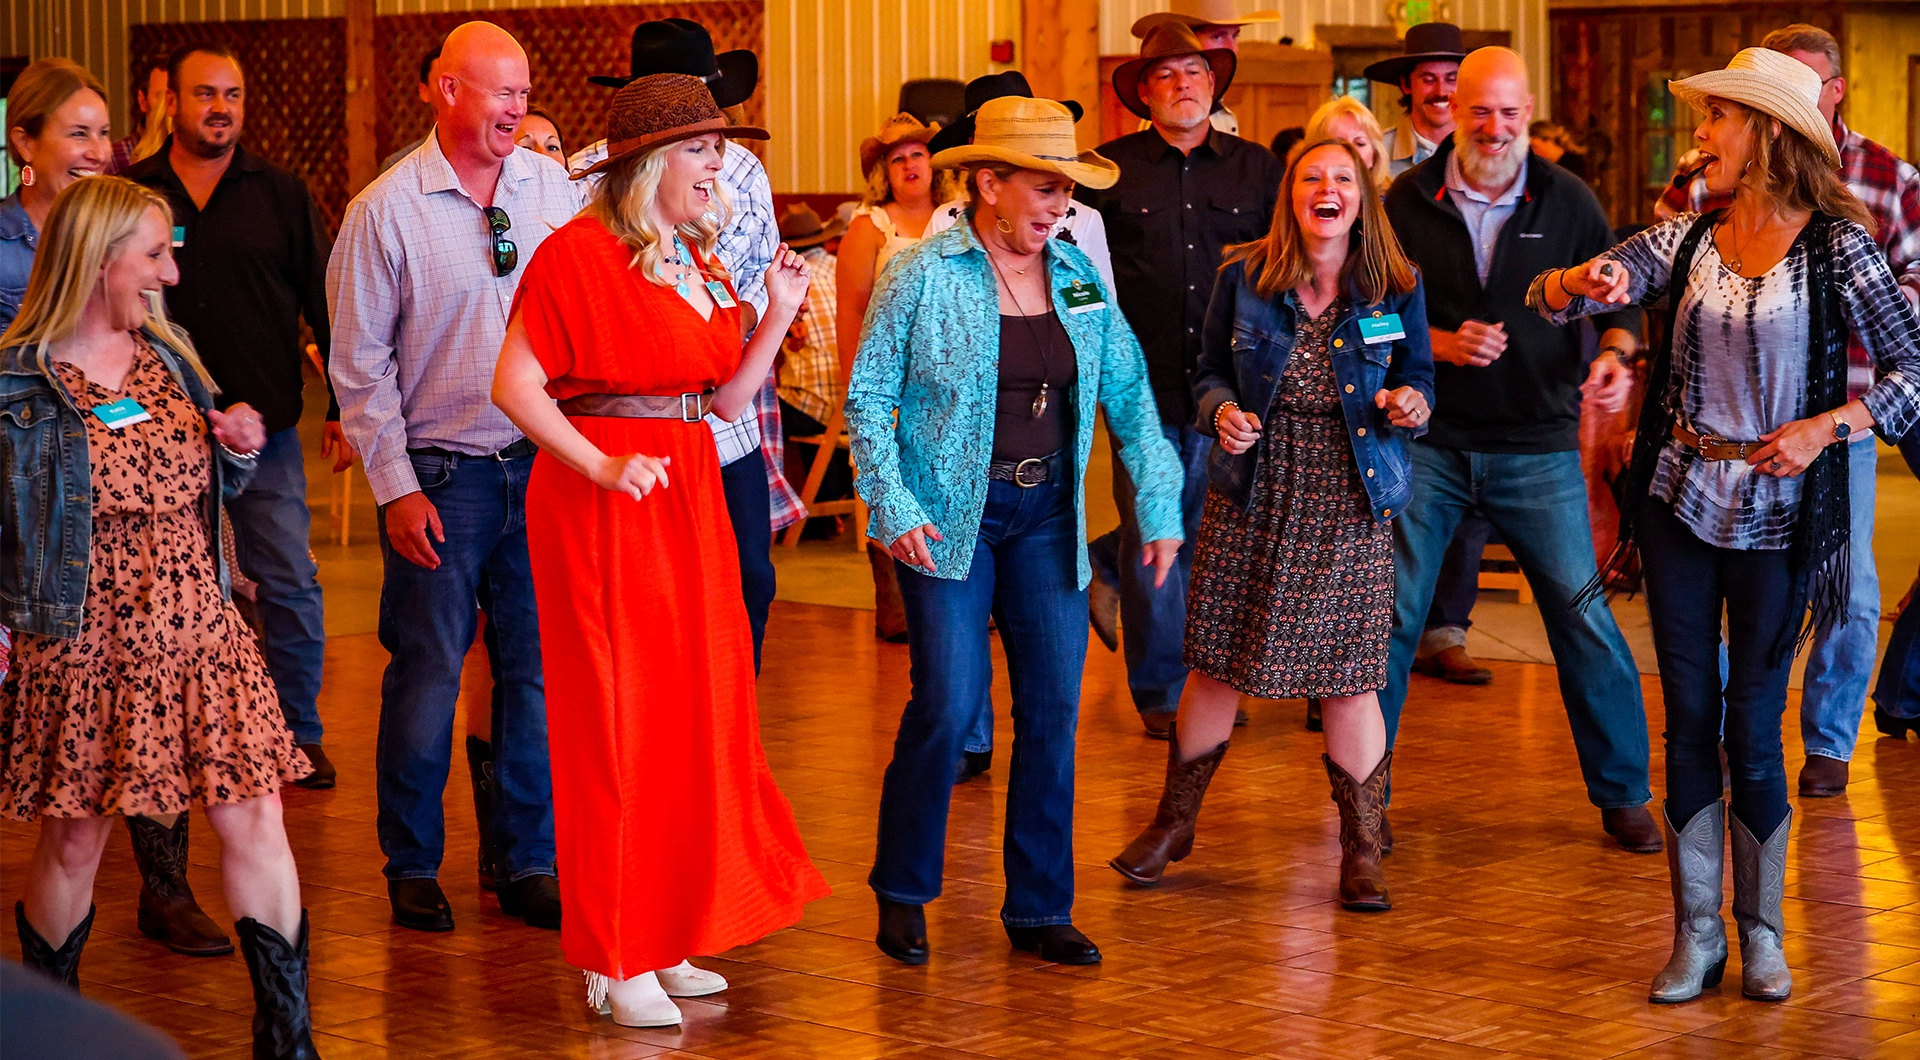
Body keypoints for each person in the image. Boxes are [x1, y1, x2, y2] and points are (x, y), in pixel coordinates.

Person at [1534, 47, 1920, 1004]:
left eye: (1716, 119)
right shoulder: (1690, 238)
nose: (1701, 134)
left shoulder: (1839, 245)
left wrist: (1828, 426)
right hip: (1679, 504)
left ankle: (1763, 934)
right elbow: (1576, 288)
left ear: (1767, 134)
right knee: (1688, 718)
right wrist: (1570, 286)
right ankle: (1696, 934)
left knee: (1752, 723)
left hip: (1786, 517)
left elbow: (1916, 373)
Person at [491, 73, 829, 1028]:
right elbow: (514, 386)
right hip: (605, 496)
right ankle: (611, 948)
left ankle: (665, 926)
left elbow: (723, 401)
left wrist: (775, 308)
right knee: (613, 720)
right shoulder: (575, 254)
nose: (718, 167)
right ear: (648, 164)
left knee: (690, 711)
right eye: (702, 149)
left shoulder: (696, 256)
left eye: (718, 150)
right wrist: (598, 466)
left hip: (687, 484)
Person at [848, 96, 1185, 967]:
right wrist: (895, 505)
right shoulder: (920, 271)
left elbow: (1131, 393)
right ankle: (904, 888)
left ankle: (1039, 909)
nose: (1055, 207)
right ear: (988, 182)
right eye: (1042, 188)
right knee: (949, 704)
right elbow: (870, 399)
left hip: (1047, 521)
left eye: (1065, 192)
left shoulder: (1076, 273)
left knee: (1052, 713)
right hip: (947, 519)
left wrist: (1158, 503)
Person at [0, 174, 320, 1059]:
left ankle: (287, 1041)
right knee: (74, 841)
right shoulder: (16, 385)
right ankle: (49, 1031)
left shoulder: (173, 358)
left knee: (257, 819)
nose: (172, 273)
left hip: (201, 624)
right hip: (84, 637)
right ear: (97, 261)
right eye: (154, 254)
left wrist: (239, 449)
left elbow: (202, 482)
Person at [1110, 140, 1434, 912]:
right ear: (1292, 194)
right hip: (1255, 485)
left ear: (1362, 197)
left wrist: (1411, 405)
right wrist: (1221, 412)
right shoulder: (1244, 277)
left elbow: (1419, 377)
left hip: (1352, 495)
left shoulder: (1396, 283)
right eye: (1313, 177)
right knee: (1218, 660)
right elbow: (1206, 375)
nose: (1328, 188)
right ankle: (1174, 824)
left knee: (1353, 675)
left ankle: (1360, 845)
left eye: (1343, 179)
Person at [1382, 47, 1660, 852]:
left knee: (1581, 615)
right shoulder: (1405, 200)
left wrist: (1615, 354)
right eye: (1479, 111)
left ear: (1528, 113)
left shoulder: (1567, 198)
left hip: (1539, 446)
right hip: (1429, 442)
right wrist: (1439, 340)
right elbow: (1365, 319)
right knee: (1394, 619)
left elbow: (1624, 296)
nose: (1494, 128)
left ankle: (1623, 793)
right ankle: (1366, 799)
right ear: (1449, 110)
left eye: (1510, 113)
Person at [329, 20, 573, 934]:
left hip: (542, 469)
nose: (516, 106)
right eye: (499, 89)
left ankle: (525, 861)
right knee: (428, 672)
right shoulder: (384, 209)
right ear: (446, 91)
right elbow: (358, 367)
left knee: (534, 674)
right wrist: (395, 487)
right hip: (442, 477)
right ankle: (413, 863)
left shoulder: (554, 191)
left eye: (522, 90)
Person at [2, 57, 242, 962]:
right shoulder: (15, 290)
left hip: (162, 569)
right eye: (77, 132)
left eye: (105, 131)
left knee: (190, 771)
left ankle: (167, 889)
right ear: (23, 144)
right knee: (69, 816)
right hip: (57, 556)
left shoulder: (150, 315)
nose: (99, 149)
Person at [128, 43, 347, 797]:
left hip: (270, 434)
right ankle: (178, 739)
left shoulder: (281, 193)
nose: (220, 107)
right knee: (171, 591)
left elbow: (324, 301)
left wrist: (345, 407)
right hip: (153, 436)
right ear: (171, 104)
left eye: (233, 94)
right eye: (204, 94)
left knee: (286, 581)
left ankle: (297, 734)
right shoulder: (134, 195)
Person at [569, 17, 796, 671]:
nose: (709, 148)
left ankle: (728, 741)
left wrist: (750, 316)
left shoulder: (741, 170)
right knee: (641, 601)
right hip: (628, 428)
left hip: (727, 417)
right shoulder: (583, 178)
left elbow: (746, 287)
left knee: (750, 583)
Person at [1078, 23, 1280, 737]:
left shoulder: (1258, 171)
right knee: (1153, 533)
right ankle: (1162, 692)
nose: (1182, 85)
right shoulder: (1105, 171)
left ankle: (1214, 680)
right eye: (1165, 76)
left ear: (1213, 83)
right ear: (1145, 94)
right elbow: (1077, 273)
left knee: (1220, 538)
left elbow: (1284, 271)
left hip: (1237, 390)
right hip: (1143, 385)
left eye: (1193, 72)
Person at [1762, 24, 1920, 798]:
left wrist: (1864, 310)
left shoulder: (1889, 176)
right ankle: (1740, 726)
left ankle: (1829, 742)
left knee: (1849, 587)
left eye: (1805, 85)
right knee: (1741, 581)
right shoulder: (1718, 170)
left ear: (1836, 90)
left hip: (1845, 413)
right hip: (1743, 422)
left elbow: (1919, 281)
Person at [833, 111, 948, 642]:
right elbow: (851, 311)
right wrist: (859, 389)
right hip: (891, 378)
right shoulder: (869, 227)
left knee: (951, 480)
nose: (908, 164)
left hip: (952, 380)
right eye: (897, 157)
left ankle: (958, 600)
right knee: (893, 481)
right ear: (885, 171)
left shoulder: (961, 217)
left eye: (917, 153)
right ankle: (899, 609)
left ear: (934, 162)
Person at [927, 72, 1114, 291]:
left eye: (1066, 189)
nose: (1060, 209)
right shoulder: (944, 224)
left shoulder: (1084, 221)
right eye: (1045, 190)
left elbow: (1103, 314)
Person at [774, 202, 851, 525]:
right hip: (852, 400)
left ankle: (809, 513)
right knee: (818, 404)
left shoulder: (784, 279)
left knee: (781, 401)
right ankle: (834, 500)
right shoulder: (842, 268)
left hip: (815, 405)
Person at [1129, 0, 1281, 137]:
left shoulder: (1218, 111)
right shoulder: (1171, 118)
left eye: (1235, 36)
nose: (1232, 48)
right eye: (1218, 37)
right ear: (1185, 40)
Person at [1366, 22, 1464, 177]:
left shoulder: (1483, 149)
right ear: (1406, 84)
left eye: (1452, 79)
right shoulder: (1376, 153)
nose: (1441, 91)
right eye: (1429, 80)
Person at [1299, 96, 1391, 189]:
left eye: (1360, 143)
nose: (1351, 151)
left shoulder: (1394, 200)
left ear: (1374, 156)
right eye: (1338, 144)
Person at [379, 44, 442, 173]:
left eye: (457, 83)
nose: (451, 92)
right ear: (424, 92)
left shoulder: (490, 161)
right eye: (442, 83)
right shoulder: (397, 167)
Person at [107, 59, 169, 174]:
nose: (168, 105)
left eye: (176, 97)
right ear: (142, 101)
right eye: (161, 96)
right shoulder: (115, 157)